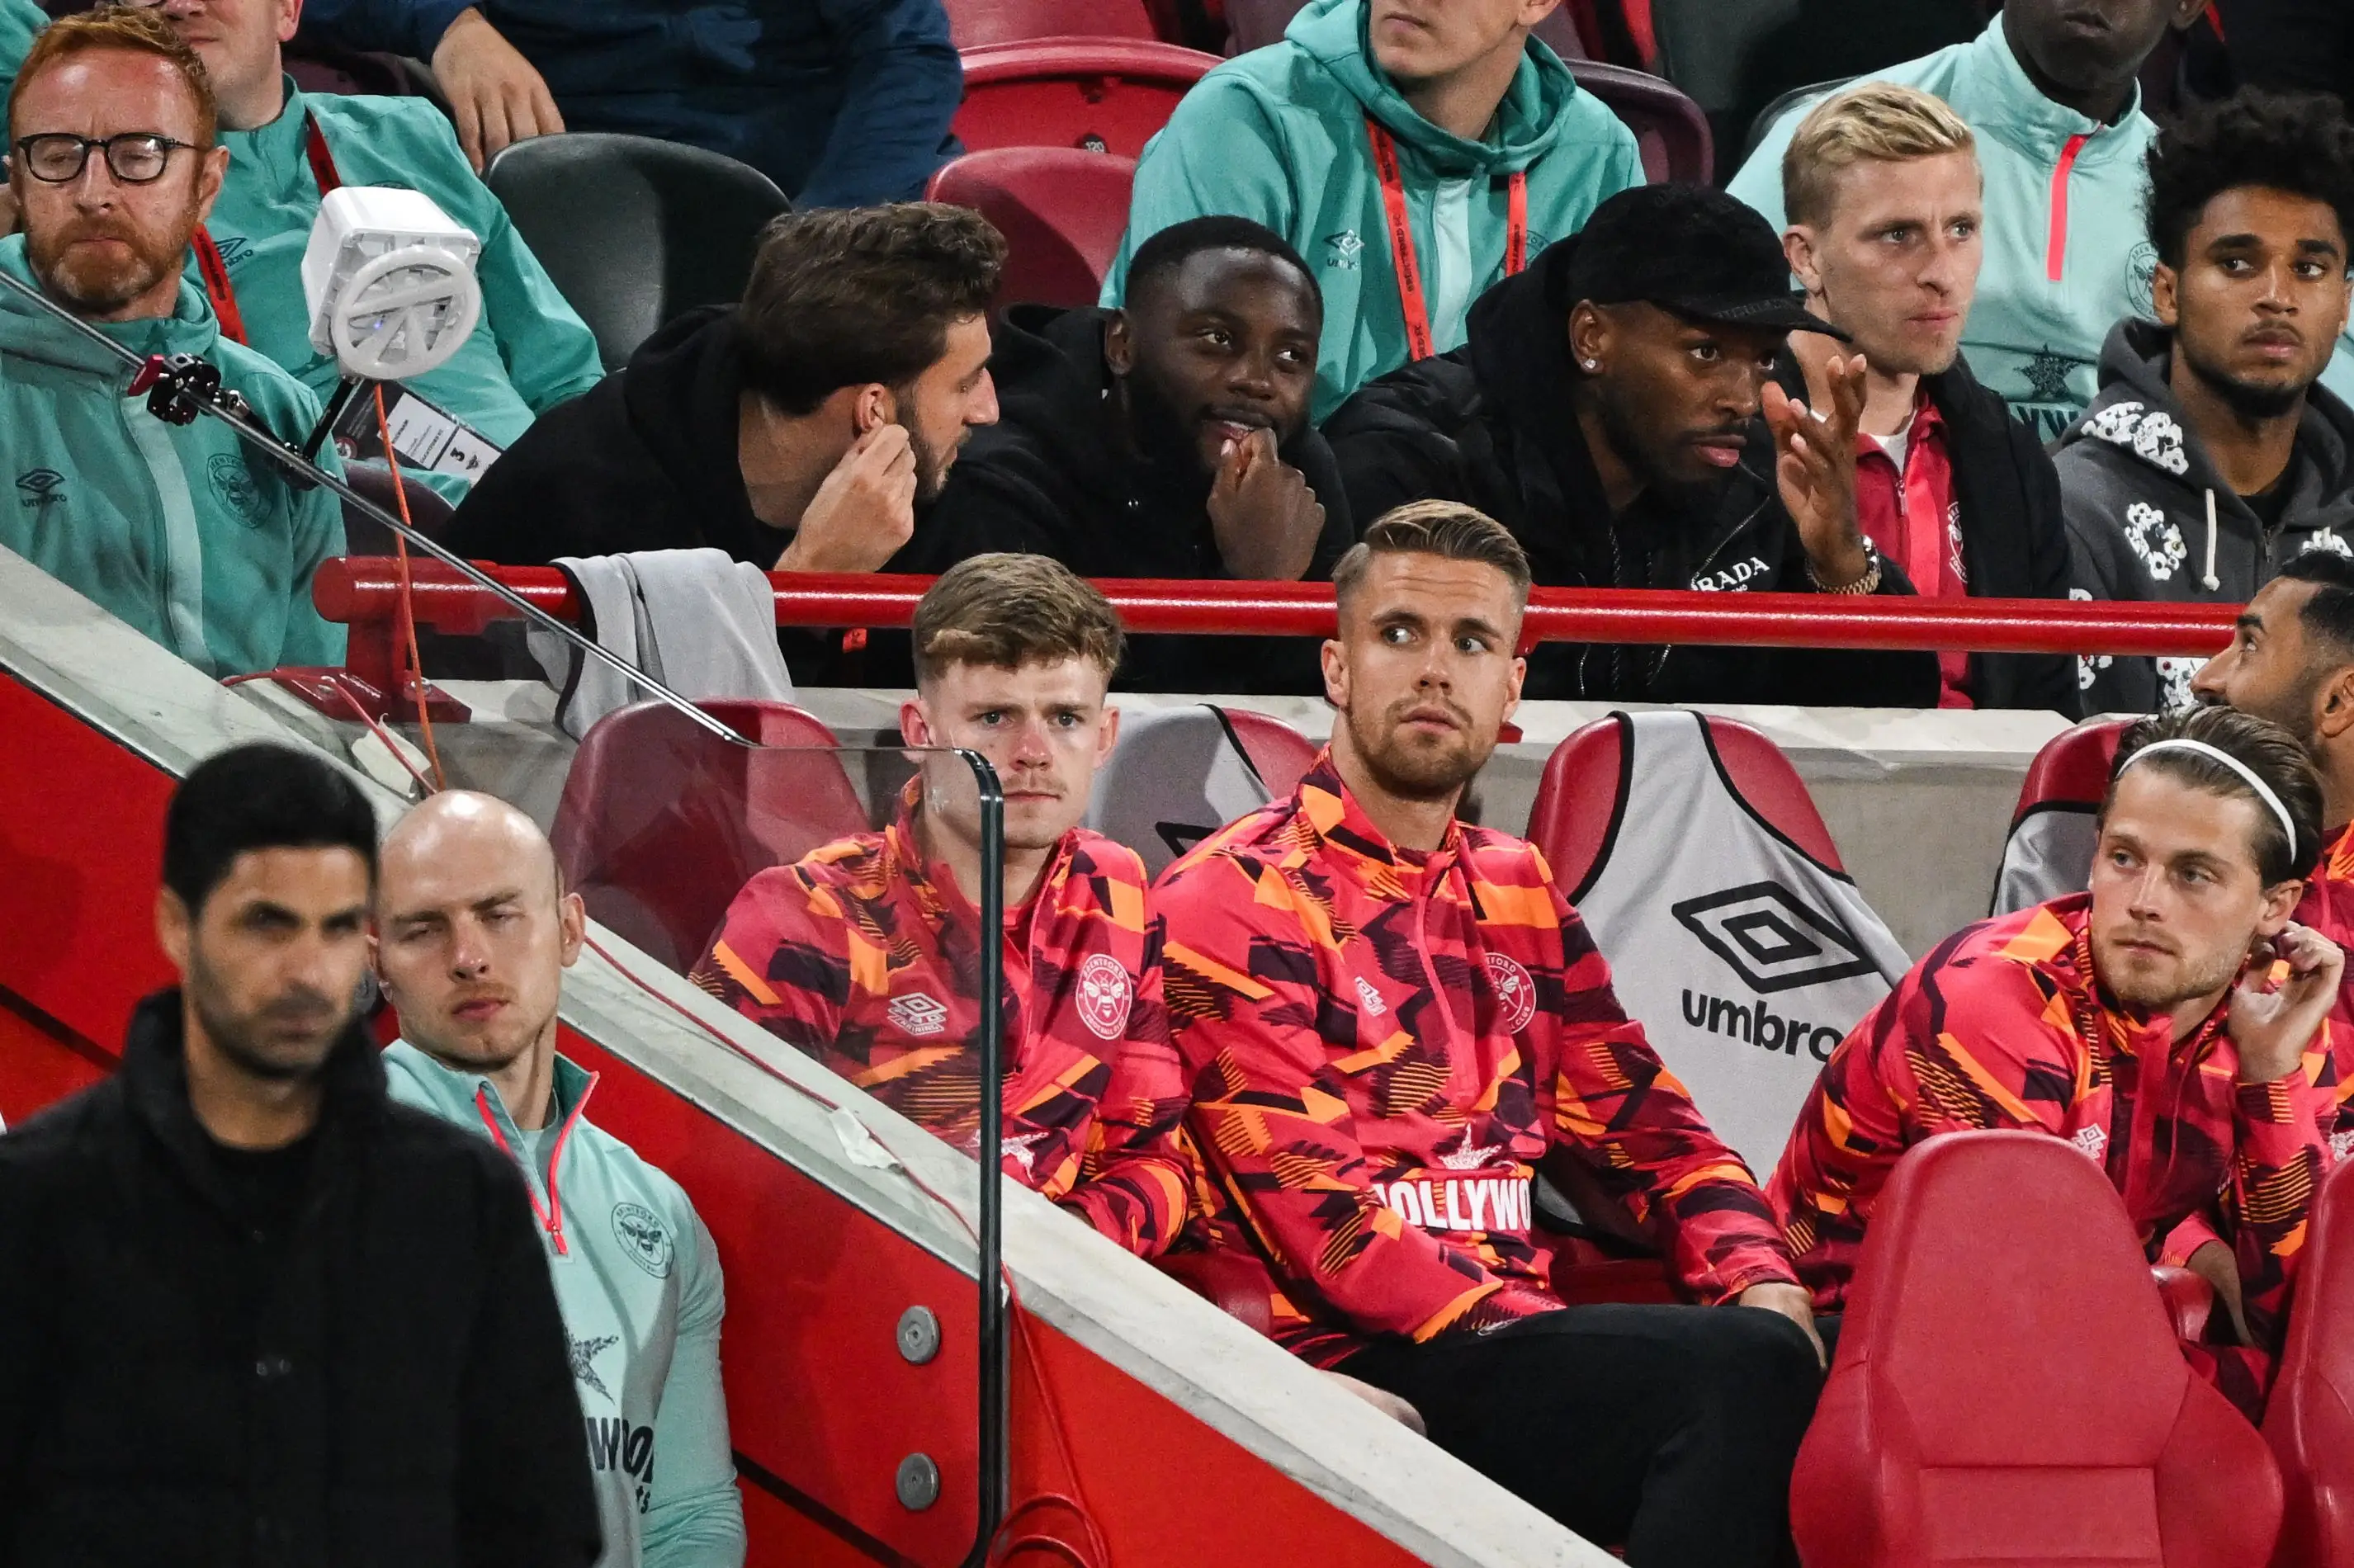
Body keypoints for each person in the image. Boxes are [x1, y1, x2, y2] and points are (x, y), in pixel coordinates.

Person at [1154, 503, 1822, 1565]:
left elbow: (1656, 1132)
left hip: (1517, 1347)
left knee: (1810, 1352)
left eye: (1470, 644)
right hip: (1354, 1359)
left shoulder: (1514, 885)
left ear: (1510, 687)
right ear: (1336, 667)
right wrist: (1527, 1325)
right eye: (1399, 634)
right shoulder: (1232, 895)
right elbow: (1327, 1233)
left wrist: (1761, 1278)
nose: (1434, 671)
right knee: (1734, 1376)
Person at [0, 742, 602, 1566]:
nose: (302, 970)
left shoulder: (463, 1204)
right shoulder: (38, 1199)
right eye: (266, 923)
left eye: (330, 928)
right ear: (179, 925)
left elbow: (542, 1530)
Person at [1770, 705, 2340, 1416]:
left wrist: (2270, 1079)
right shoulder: (1989, 1000)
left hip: (2067, 1352)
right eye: (2124, 858)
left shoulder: (2273, 1014)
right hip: (1843, 1359)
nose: (2144, 904)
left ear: (2276, 905)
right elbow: (2026, 1320)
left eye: (2194, 875)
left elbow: (2298, 1321)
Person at [692, 555, 1191, 1259]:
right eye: (994, 717)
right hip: (877, 1296)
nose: (1032, 753)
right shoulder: (804, 917)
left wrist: (1056, 1261)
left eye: (1066, 718)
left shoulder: (1119, 891)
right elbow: (725, 1175)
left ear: (1105, 738)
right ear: (920, 732)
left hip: (1073, 1301)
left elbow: (1156, 1160)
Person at [1325, 182, 1939, 708]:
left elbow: (1893, 724)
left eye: (1763, 358)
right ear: (1592, 336)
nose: (1744, 400)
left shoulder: (1756, 470)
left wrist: (1840, 564)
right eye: (1706, 352)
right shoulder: (1413, 462)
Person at [374, 791, 747, 1568]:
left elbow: (688, 1517)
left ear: (570, 930)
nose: (469, 956)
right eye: (425, 929)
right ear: (378, 964)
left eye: (501, 914)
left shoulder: (659, 1215)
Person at [0, 5, 345, 678]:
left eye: (140, 156)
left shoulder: (282, 417)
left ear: (206, 184)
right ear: (17, 178)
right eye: (58, 156)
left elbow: (312, 706)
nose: (94, 193)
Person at [143, 0, 604, 493]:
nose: (181, 4)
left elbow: (563, 374)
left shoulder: (409, 134)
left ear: (287, 12)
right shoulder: (122, 206)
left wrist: (598, 489)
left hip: (549, 509)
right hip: (351, 527)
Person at [1104, 0, 1641, 420]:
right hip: (1288, 510)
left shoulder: (1596, 154)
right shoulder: (1247, 118)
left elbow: (1616, 399)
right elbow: (1184, 394)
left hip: (1497, 529)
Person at [1728, 0, 2206, 438]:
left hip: (2112, 512)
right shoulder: (1832, 138)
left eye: (1961, 230)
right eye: (1899, 235)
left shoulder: (2200, 198)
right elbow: (1698, 344)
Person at [447, 202, 1000, 575]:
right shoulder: (580, 501)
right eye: (966, 382)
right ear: (873, 410)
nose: (989, 410)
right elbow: (641, 742)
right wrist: (809, 581)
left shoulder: (948, 493)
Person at [922, 216, 1353, 694]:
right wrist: (1254, 591)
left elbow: (1321, 699)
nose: (1258, 381)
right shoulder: (1004, 482)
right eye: (1217, 339)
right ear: (1122, 345)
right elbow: (1044, 714)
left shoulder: (1297, 466)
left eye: (1291, 356)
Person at [1776, 83, 2078, 714]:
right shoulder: (1730, 438)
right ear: (1807, 258)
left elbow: (2048, 710)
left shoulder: (2013, 458)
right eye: (1898, 235)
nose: (1942, 271)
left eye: (1961, 229)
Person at [2056, 88, 2354, 715]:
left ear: (2345, 301)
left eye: (2309, 269)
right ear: (2167, 292)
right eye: (2238, 263)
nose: (2277, 296)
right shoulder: (2075, 506)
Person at [293, 0, 961, 204]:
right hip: (605, 215)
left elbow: (906, 54)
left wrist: (826, 232)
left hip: (830, 193)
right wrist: (446, 26)